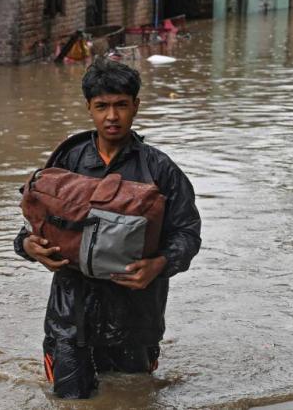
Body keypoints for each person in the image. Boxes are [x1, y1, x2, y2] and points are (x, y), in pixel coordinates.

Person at [13, 58, 201, 399]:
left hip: (136, 317)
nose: (111, 117)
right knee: (70, 401)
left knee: (133, 398)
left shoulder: (160, 169)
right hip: (70, 313)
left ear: (136, 107)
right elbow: (34, 224)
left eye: (121, 106)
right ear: (89, 108)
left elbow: (187, 233)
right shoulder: (66, 163)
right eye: (102, 106)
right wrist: (27, 246)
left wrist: (158, 265)